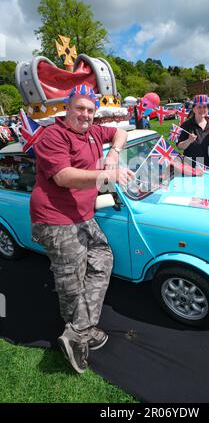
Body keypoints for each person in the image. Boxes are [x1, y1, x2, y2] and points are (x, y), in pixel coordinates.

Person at [30, 85, 135, 374]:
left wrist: (113, 153)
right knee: (71, 280)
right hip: (54, 218)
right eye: (80, 108)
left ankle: (78, 330)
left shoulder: (91, 131)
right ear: (68, 109)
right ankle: (77, 337)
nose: (86, 114)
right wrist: (107, 174)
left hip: (81, 215)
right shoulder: (53, 136)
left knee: (102, 259)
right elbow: (63, 177)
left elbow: (121, 132)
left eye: (90, 110)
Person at [177, 94, 209, 167]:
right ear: (194, 109)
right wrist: (188, 141)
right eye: (199, 107)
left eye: (204, 107)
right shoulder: (186, 125)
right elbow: (179, 146)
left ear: (208, 109)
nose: (202, 110)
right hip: (192, 166)